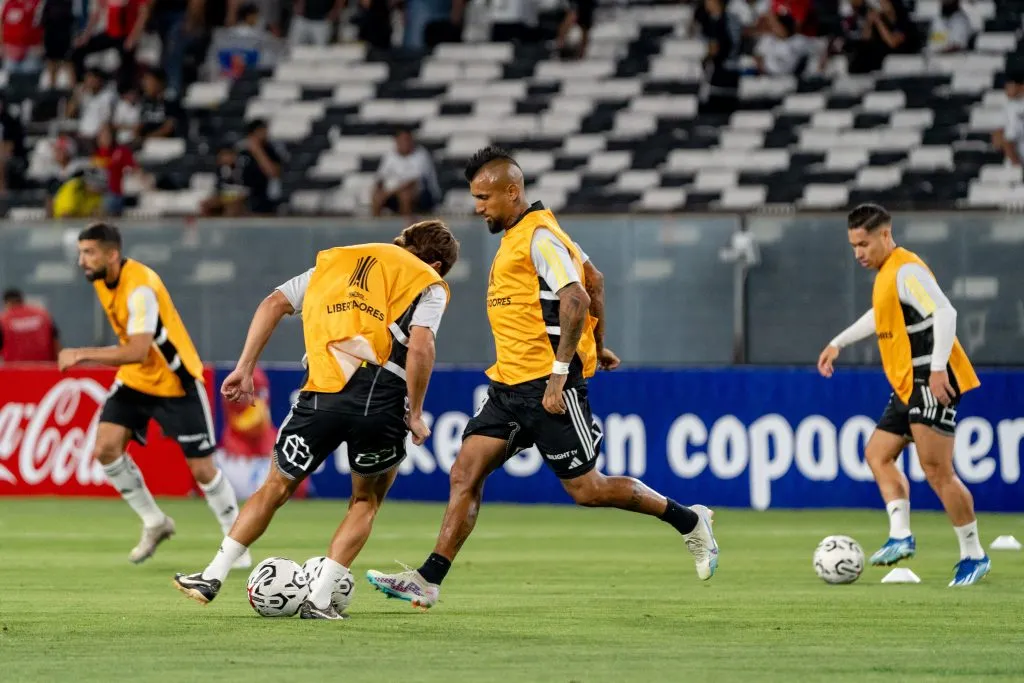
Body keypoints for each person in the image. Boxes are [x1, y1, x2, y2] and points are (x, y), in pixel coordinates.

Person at [366, 147, 719, 611]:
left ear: (512, 192)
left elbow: (577, 297)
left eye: (484, 198)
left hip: (548, 388)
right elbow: (595, 278)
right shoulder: (526, 234)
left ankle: (690, 520)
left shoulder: (540, 238)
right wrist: (597, 343)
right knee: (465, 472)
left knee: (588, 490)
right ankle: (429, 580)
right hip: (508, 387)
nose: (478, 207)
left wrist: (561, 372)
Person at [173, 220, 461, 620]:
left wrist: (244, 367)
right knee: (365, 500)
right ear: (436, 263)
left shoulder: (335, 262)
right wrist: (414, 412)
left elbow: (273, 303)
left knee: (275, 486)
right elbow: (422, 345)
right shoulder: (428, 280)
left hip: (318, 393)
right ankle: (320, 601)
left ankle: (212, 575)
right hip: (380, 400)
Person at [817, 204, 989, 587]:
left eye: (863, 244)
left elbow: (945, 313)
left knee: (937, 471)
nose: (858, 253)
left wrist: (939, 368)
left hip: (932, 378)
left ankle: (974, 554)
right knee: (877, 454)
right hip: (910, 383)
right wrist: (838, 342)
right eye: (853, 246)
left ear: (885, 235)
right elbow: (880, 315)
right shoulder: (886, 276)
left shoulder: (907, 269)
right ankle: (900, 536)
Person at [57, 222, 246, 566]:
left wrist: (81, 353)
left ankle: (237, 545)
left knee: (203, 470)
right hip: (136, 381)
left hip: (176, 381)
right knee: (105, 449)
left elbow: (138, 350)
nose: (82, 260)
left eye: (89, 252)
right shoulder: (101, 278)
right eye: (81, 252)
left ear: (112, 255)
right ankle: (155, 522)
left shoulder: (140, 287)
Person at [0, 288, 60, 363]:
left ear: (7, 303)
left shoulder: (4, 320)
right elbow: (56, 343)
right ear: (21, 300)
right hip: (45, 367)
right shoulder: (42, 315)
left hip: (15, 368)